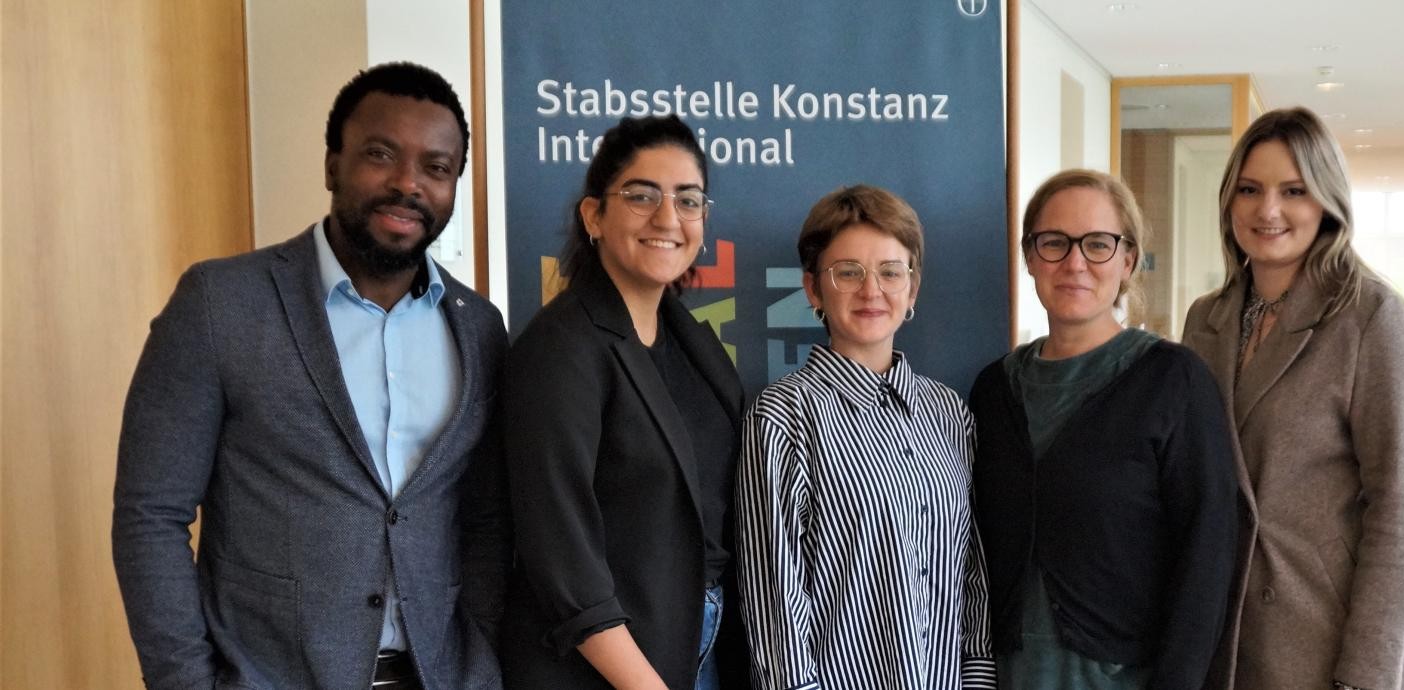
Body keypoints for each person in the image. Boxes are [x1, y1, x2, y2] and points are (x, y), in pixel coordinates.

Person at [112, 62, 508, 690]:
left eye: (436, 168)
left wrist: (478, 654)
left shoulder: (480, 327)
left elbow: (484, 519)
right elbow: (150, 515)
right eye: (381, 155)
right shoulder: (220, 303)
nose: (408, 184)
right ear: (332, 164)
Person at [1180, 106, 1404, 690]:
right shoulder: (1205, 319)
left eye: (1293, 190)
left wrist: (1365, 673)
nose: (1267, 210)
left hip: (1323, 635)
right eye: (1250, 189)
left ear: (1327, 200)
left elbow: (1400, 508)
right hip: (1223, 629)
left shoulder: (1372, 318)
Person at [500, 114, 748, 689]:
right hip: (611, 666)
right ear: (593, 216)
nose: (667, 218)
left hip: (700, 643)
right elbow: (561, 553)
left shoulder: (692, 343)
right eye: (641, 195)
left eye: (688, 200)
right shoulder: (561, 347)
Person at [969, 170, 1238, 690]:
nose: (1075, 263)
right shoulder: (992, 391)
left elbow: (1207, 555)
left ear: (1127, 261)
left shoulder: (1173, 381)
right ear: (1029, 257)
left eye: (1097, 244)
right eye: (1054, 242)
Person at [737, 185, 996, 690]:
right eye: (848, 272)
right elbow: (773, 594)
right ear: (814, 290)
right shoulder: (783, 415)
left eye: (891, 272)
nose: (871, 290)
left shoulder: (949, 413)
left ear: (912, 289)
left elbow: (973, 567)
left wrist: (979, 675)